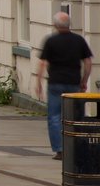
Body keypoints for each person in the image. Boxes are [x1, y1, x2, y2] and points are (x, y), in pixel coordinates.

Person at [36, 12, 93, 161]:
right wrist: (84, 80)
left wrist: (38, 83)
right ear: (69, 25)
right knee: (75, 116)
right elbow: (87, 62)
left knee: (54, 117)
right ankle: (77, 147)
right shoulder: (79, 40)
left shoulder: (51, 41)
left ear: (55, 25)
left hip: (55, 83)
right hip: (74, 83)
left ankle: (59, 150)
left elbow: (43, 63)